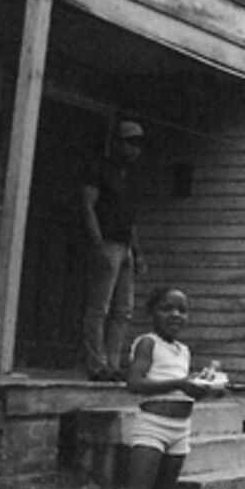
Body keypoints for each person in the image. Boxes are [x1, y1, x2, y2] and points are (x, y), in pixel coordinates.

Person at [90, 287, 223, 489]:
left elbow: (181, 391)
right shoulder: (148, 343)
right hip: (153, 426)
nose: (175, 315)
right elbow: (135, 384)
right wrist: (179, 382)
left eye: (182, 310)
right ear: (152, 313)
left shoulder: (183, 350)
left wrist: (204, 389)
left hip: (180, 429)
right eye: (167, 308)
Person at [82, 120, 147, 382]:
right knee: (99, 307)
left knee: (123, 309)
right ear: (117, 142)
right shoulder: (99, 169)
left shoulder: (129, 176)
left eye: (138, 144)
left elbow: (130, 219)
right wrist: (97, 245)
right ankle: (96, 364)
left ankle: (113, 362)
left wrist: (138, 252)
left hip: (125, 247)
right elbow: (88, 207)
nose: (134, 149)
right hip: (106, 243)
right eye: (130, 142)